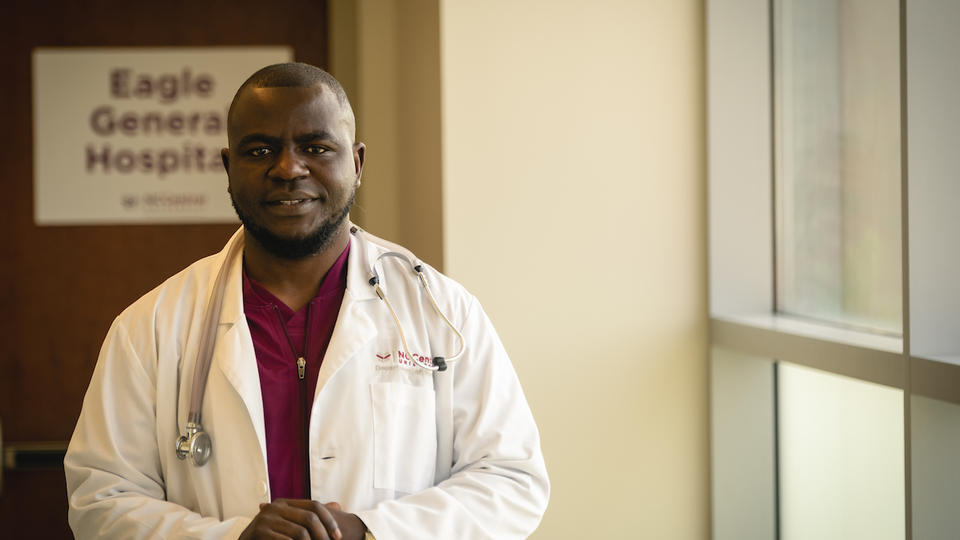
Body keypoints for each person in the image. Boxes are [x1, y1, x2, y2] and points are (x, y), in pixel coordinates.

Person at [64, 62, 549, 540]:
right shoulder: (151, 326)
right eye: (260, 150)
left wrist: (372, 530)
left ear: (356, 164)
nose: (289, 168)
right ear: (229, 169)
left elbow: (510, 480)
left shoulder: (442, 312)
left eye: (316, 147)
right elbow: (101, 500)